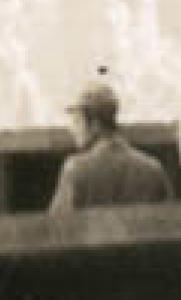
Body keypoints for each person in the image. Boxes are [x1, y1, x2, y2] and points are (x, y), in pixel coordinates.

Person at [48, 81, 172, 212]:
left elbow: (55, 227)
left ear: (95, 124)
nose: (73, 129)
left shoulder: (75, 169)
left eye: (77, 121)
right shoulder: (153, 169)